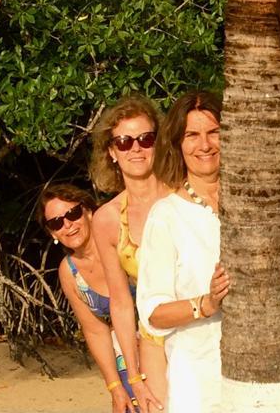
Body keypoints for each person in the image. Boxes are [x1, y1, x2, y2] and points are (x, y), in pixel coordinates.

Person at [136, 90, 229, 413]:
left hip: (260, 377)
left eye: (213, 132)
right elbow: (152, 314)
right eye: (192, 135)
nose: (204, 145)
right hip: (197, 384)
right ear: (177, 143)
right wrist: (206, 303)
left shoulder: (256, 206)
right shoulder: (166, 216)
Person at [37, 184, 155, 413]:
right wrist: (114, 387)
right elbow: (95, 331)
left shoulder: (122, 243)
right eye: (56, 223)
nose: (68, 225)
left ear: (90, 212)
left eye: (72, 214)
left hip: (161, 347)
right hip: (125, 363)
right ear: (52, 233)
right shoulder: (70, 272)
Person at [90, 95, 171, 406]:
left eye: (146, 139)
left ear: (159, 143)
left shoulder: (185, 195)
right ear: (112, 151)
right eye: (124, 141)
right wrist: (133, 376)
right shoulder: (107, 219)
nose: (136, 148)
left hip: (203, 330)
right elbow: (121, 303)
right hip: (153, 339)